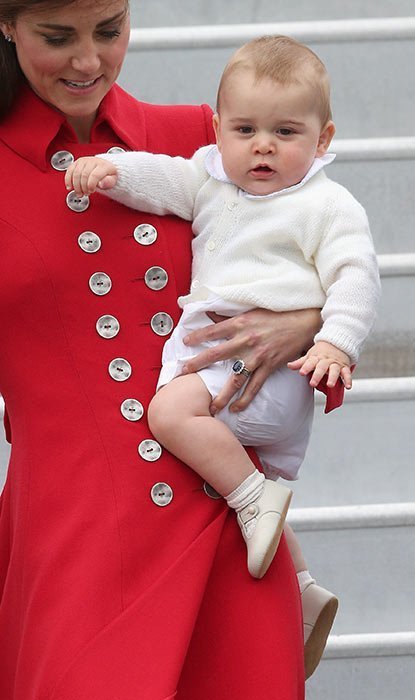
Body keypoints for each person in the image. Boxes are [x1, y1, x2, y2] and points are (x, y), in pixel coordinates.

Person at [0, 3, 334, 697]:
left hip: (223, 515)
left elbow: (325, 250)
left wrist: (306, 322)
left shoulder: (205, 136)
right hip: (73, 534)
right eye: (57, 37)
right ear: (6, 26)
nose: (88, 61)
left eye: (109, 30)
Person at [65, 33, 381, 674]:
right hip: (231, 369)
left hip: (266, 374)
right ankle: (300, 584)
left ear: (322, 140)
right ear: (217, 131)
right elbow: (164, 178)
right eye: (245, 130)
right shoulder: (213, 181)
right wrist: (112, 171)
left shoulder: (326, 204)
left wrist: (334, 339)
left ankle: (255, 502)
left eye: (285, 132)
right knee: (218, 459)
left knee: (169, 416)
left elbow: (357, 274)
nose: (262, 146)